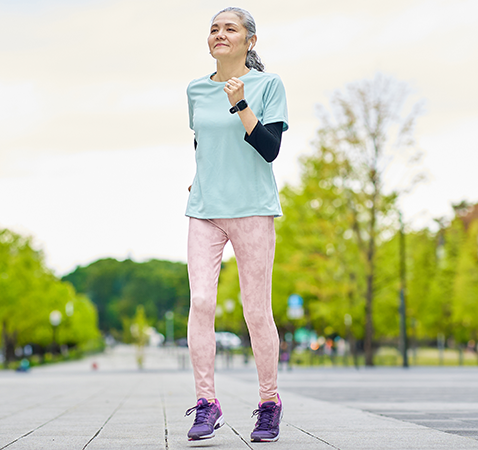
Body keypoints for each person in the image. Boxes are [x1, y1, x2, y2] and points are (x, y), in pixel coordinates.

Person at [183, 6, 287, 443]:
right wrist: (197, 182)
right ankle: (207, 403)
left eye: (230, 28)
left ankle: (268, 403)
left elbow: (270, 150)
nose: (219, 34)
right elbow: (200, 143)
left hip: (253, 209)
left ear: (250, 41)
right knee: (202, 301)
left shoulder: (269, 85)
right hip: (205, 210)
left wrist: (239, 103)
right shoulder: (193, 90)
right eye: (213, 29)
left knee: (255, 310)